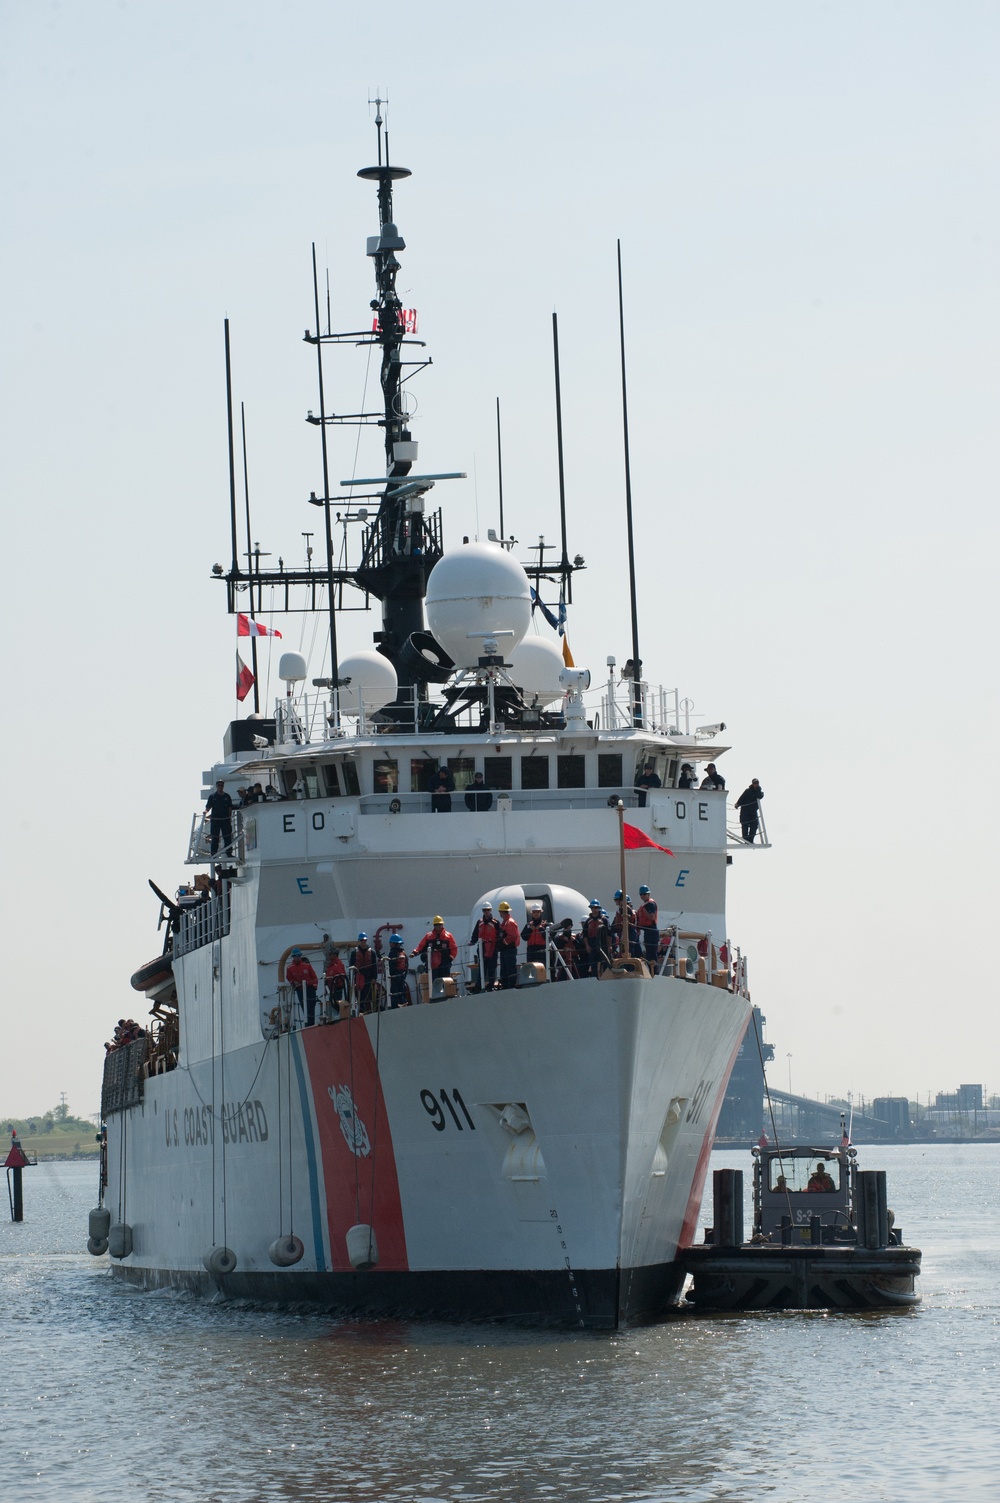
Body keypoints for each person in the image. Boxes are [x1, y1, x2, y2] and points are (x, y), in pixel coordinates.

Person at [412, 917, 458, 981]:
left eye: (439, 924)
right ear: (434, 925)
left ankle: (445, 991)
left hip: (445, 962)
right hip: (433, 963)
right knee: (434, 980)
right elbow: (421, 946)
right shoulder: (428, 936)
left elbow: (454, 948)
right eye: (436, 924)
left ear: (442, 925)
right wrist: (415, 952)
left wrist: (450, 958)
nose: (438, 926)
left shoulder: (448, 936)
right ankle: (434, 990)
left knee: (445, 980)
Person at [470, 902, 500, 991]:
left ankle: (491, 985)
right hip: (482, 948)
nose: (486, 912)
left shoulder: (495, 923)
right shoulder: (479, 922)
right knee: (482, 967)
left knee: (492, 968)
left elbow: (500, 935)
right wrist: (472, 941)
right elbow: (475, 934)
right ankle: (479, 986)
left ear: (490, 910)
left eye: (488, 910)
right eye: (485, 910)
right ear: (483, 911)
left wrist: (498, 946)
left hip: (492, 948)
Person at [286, 947, 319, 1028]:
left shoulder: (307, 966)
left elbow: (314, 977)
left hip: (310, 989)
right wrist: (293, 982)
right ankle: (307, 1024)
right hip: (300, 990)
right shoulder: (290, 968)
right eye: (296, 956)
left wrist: (314, 987)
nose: (297, 957)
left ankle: (311, 1024)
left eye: (299, 955)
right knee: (304, 1007)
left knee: (311, 1007)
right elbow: (289, 977)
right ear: (293, 957)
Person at [580, 899, 611, 978]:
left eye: (596, 907)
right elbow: (585, 935)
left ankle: (605, 978)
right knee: (593, 964)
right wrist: (587, 946)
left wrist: (609, 945)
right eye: (592, 907)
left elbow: (609, 934)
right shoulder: (588, 921)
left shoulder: (604, 920)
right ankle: (595, 979)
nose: (594, 909)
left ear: (599, 908)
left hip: (602, 944)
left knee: (605, 963)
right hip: (592, 944)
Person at [204, 779, 233, 857]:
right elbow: (208, 807)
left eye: (222, 785)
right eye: (219, 785)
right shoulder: (212, 796)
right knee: (215, 837)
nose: (220, 787)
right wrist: (205, 812)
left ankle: (229, 853)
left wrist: (229, 818)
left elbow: (230, 807)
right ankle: (213, 854)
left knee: (227, 837)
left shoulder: (227, 796)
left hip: (225, 820)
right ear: (216, 786)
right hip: (215, 820)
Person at [349, 933, 377, 1013]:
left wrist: (374, 978)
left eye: (365, 940)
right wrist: (352, 979)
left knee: (372, 994)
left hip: (369, 976)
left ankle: (374, 1010)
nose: (363, 942)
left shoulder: (372, 952)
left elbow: (374, 966)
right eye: (362, 940)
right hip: (359, 976)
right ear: (359, 941)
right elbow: (352, 966)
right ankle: (361, 1011)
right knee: (360, 995)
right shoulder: (354, 952)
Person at [496, 900, 520, 989]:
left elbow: (513, 936)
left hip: (509, 950)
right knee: (504, 970)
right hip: (505, 950)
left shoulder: (509, 922)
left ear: (501, 912)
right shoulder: (505, 922)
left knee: (509, 969)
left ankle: (510, 987)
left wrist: (503, 942)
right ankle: (506, 986)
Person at [635, 884, 660, 963]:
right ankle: (651, 971)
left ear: (648, 894)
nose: (642, 896)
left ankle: (654, 972)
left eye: (644, 894)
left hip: (651, 930)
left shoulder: (650, 904)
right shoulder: (645, 905)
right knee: (649, 953)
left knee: (652, 954)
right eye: (641, 894)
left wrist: (645, 910)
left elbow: (652, 917)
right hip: (647, 931)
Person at [735, 778, 764, 843]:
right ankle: (746, 840)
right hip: (745, 812)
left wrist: (758, 789)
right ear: (752, 784)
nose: (756, 784)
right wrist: (737, 804)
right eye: (754, 783)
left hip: (753, 812)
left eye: (757, 783)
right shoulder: (747, 791)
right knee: (745, 826)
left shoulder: (759, 792)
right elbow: (742, 798)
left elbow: (760, 796)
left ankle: (750, 840)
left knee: (754, 825)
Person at [385, 934, 411, 1008]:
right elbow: (406, 965)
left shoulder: (392, 953)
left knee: (394, 991)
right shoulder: (403, 953)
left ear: (392, 943)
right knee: (402, 990)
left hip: (395, 976)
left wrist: (389, 975)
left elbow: (391, 965)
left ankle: (394, 1006)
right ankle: (403, 1003)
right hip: (402, 976)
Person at [521, 904, 548, 972]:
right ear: (532, 913)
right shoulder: (528, 925)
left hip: (541, 950)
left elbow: (549, 936)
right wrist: (530, 930)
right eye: (534, 912)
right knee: (531, 968)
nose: (536, 914)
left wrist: (541, 929)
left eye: (537, 912)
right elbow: (523, 937)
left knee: (542, 968)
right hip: (531, 950)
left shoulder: (545, 925)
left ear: (540, 912)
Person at [323, 947, 347, 1018]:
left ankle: (339, 1015)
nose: (329, 956)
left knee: (337, 1003)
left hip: (337, 988)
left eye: (330, 954)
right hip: (331, 989)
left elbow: (341, 975)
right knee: (333, 1003)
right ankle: (336, 1016)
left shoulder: (338, 964)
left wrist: (335, 982)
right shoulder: (330, 965)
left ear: (335, 955)